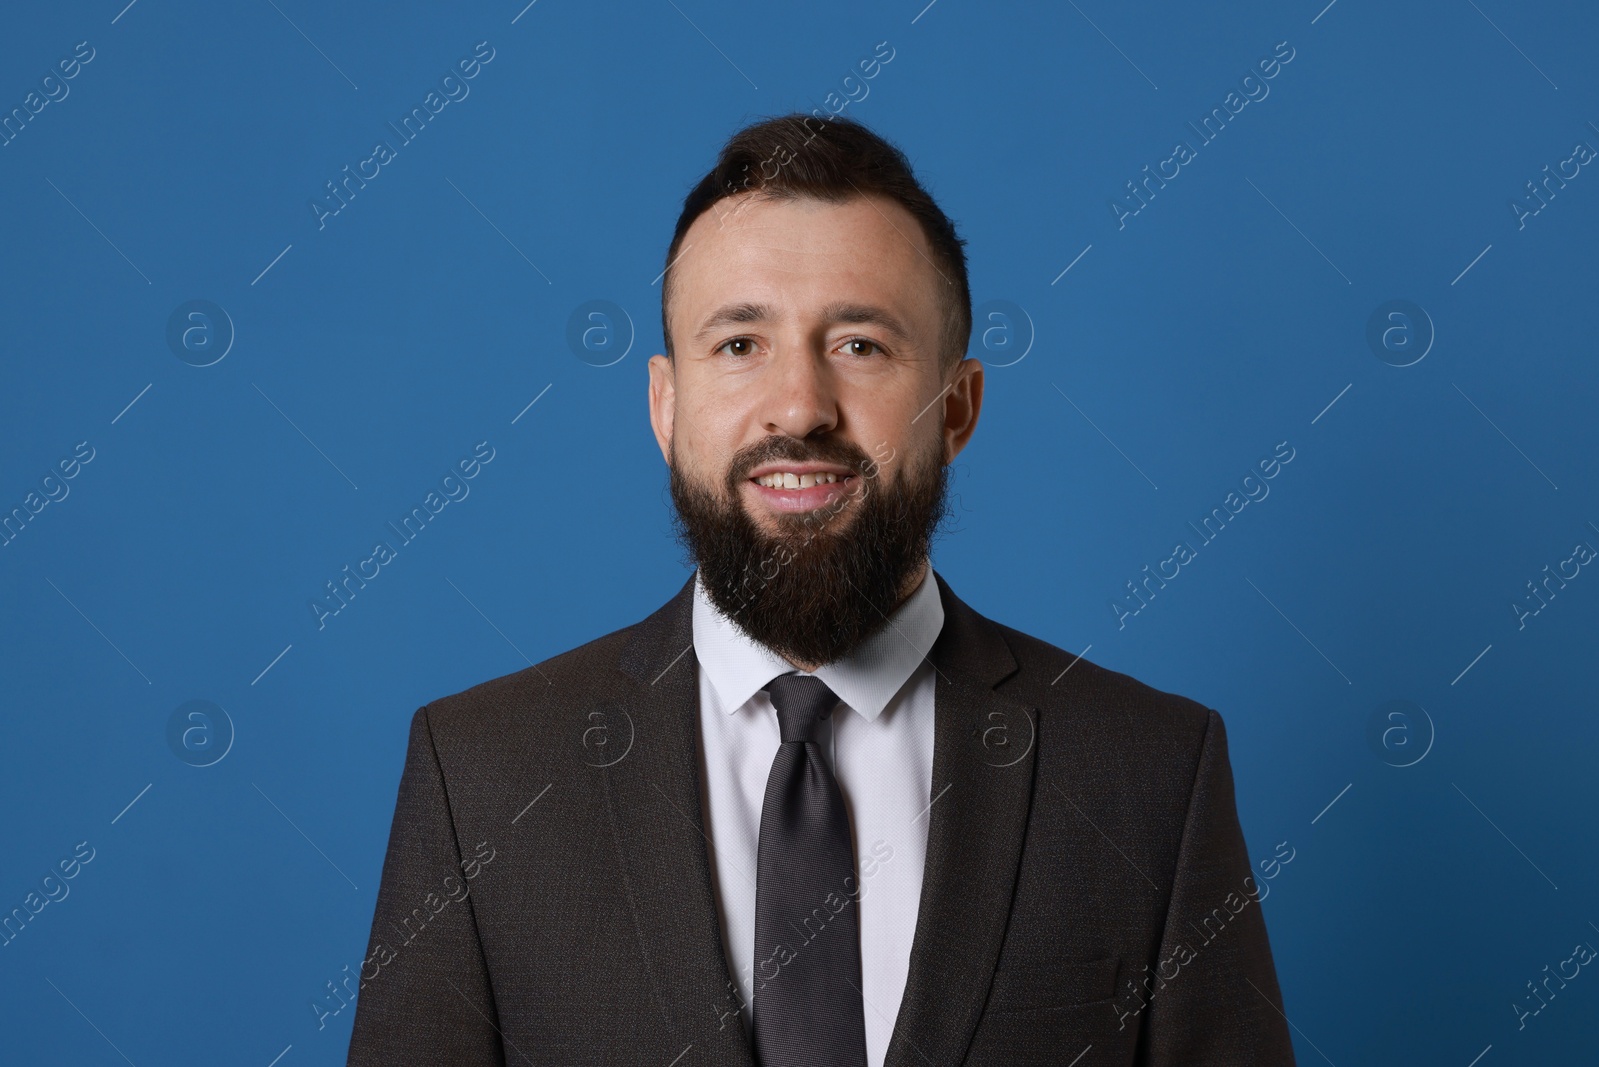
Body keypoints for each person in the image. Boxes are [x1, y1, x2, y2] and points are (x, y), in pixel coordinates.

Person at [346, 113, 1296, 1066]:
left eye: (860, 344)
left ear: (957, 406)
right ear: (665, 408)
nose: (800, 406)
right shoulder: (480, 779)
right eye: (739, 344)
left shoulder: (1150, 777)